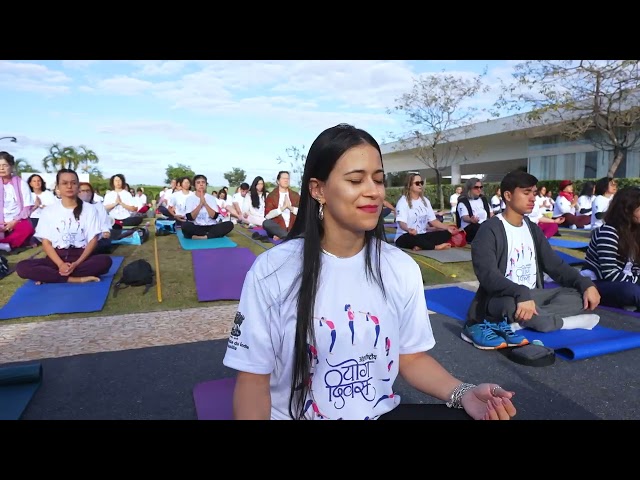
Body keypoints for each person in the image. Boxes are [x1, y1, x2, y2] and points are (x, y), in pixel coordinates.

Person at [222, 123, 516, 421]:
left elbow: (410, 358)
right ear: (318, 189)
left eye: (378, 180)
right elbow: (252, 381)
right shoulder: (274, 270)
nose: (373, 192)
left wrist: (463, 392)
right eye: (355, 180)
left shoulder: (400, 267)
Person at [463, 171, 601, 350]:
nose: (532, 198)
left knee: (577, 296)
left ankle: (530, 320)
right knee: (509, 305)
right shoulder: (489, 230)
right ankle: (558, 322)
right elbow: (488, 276)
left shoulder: (532, 228)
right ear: (508, 195)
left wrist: (585, 284)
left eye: (534, 193)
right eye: (526, 193)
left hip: (534, 297)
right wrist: (520, 292)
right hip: (503, 298)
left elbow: (555, 265)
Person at [15, 169, 113, 284]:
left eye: (73, 183)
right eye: (65, 183)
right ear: (58, 187)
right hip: (56, 258)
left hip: (81, 257)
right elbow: (46, 242)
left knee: (105, 261)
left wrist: (76, 263)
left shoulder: (90, 209)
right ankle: (74, 278)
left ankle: (50, 276)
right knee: (22, 267)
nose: (69, 186)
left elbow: (93, 240)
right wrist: (60, 264)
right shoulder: (49, 211)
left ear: (78, 186)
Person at [583, 186, 640, 311]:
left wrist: (636, 278)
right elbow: (609, 273)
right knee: (631, 291)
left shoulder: (635, 233)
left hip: (625, 281)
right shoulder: (608, 231)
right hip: (597, 283)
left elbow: (636, 267)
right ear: (627, 209)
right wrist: (636, 280)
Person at [0, 151, 35, 252]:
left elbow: (27, 207)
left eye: (5, 165)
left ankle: (6, 245)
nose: (1, 168)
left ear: (11, 166)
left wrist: (14, 222)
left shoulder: (21, 183)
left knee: (27, 228)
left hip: (16, 220)